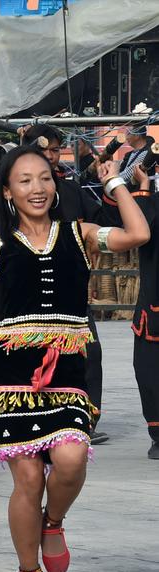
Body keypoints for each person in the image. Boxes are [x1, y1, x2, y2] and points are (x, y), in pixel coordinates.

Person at [0, 147, 149, 572]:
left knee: (69, 460)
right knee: (28, 476)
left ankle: (54, 521)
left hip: (67, 369)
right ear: (7, 191)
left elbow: (137, 232)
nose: (37, 188)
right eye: (24, 180)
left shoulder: (80, 233)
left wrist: (114, 182)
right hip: (9, 374)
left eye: (45, 178)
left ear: (56, 184)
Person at [22, 124, 117, 445]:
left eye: (54, 150)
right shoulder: (11, 190)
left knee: (89, 353)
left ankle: (86, 418)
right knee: (31, 357)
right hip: (27, 289)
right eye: (43, 149)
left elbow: (104, 222)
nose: (50, 156)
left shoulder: (72, 189)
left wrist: (111, 186)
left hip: (72, 289)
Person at [126, 164, 159, 459]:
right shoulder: (152, 201)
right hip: (154, 303)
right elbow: (141, 231)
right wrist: (144, 188)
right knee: (149, 371)